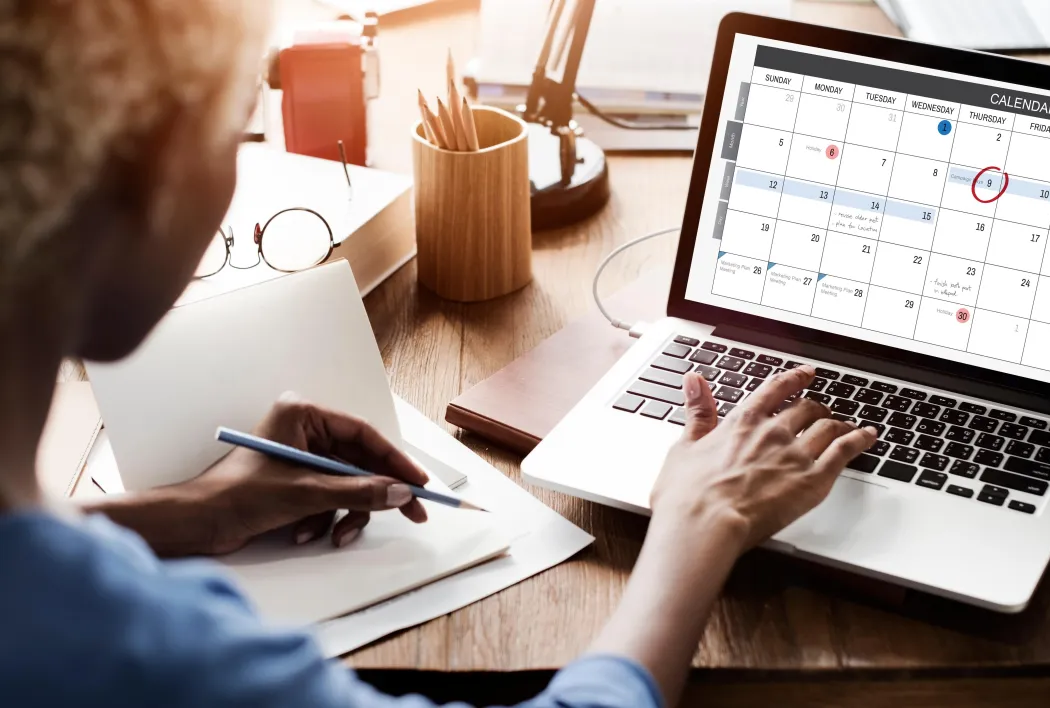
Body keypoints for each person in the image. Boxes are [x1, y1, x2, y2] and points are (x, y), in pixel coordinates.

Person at [0, 2, 876, 707]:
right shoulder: (155, 656)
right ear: (142, 180)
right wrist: (697, 525)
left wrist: (188, 512)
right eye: (236, 133)